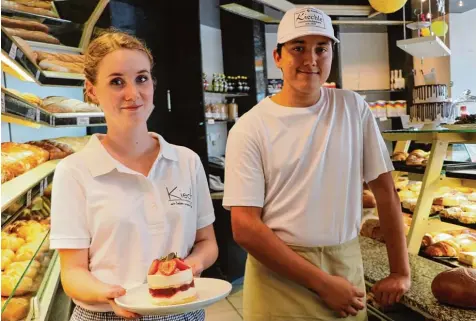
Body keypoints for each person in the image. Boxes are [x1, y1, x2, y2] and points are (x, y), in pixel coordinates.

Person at [223, 6, 411, 321]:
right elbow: (245, 227)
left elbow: (386, 191)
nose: (311, 59)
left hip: (345, 268)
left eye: (321, 49)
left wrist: (400, 271)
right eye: (299, 48)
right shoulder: (250, 126)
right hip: (278, 277)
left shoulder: (352, 108)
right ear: (278, 56)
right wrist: (322, 283)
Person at [50, 31, 218, 321]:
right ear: (92, 91)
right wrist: (110, 294)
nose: (133, 93)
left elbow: (207, 243)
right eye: (117, 82)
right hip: (106, 315)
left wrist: (190, 266)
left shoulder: (186, 161)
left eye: (142, 78)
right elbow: (73, 272)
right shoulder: (74, 171)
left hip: (182, 312)